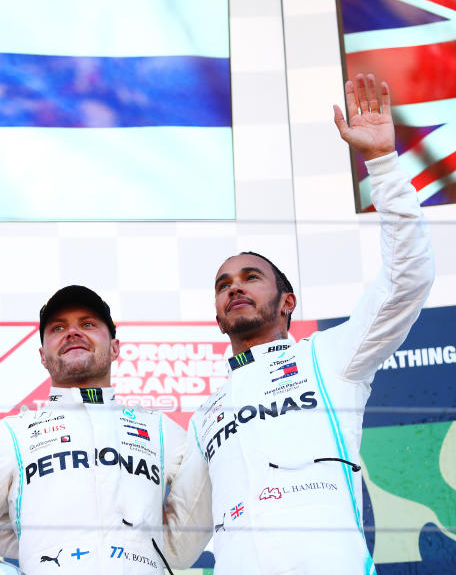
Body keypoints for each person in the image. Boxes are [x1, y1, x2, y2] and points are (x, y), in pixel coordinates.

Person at [177, 74, 435, 574]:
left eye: (251, 277)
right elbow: (173, 537)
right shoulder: (205, 416)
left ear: (287, 301)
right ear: (216, 316)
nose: (234, 287)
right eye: (223, 283)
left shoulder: (330, 358)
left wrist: (382, 164)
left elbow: (408, 279)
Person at [0, 285, 211, 574]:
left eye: (87, 324)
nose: (72, 332)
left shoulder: (159, 429)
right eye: (58, 328)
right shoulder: (14, 433)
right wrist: (41, 549)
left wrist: (150, 553)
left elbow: (193, 518)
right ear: (42, 355)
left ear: (114, 347)